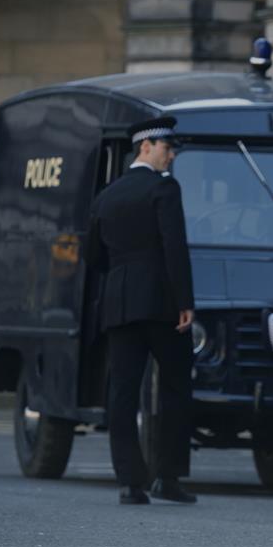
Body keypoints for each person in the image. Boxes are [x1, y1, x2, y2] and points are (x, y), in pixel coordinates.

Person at [87, 116, 196, 505]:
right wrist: (186, 302)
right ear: (146, 146)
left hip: (119, 303)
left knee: (123, 393)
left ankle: (129, 483)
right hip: (163, 304)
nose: (172, 158)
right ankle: (167, 477)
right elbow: (175, 248)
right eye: (168, 150)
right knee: (176, 388)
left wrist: (121, 278)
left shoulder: (108, 194)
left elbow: (92, 256)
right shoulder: (164, 190)